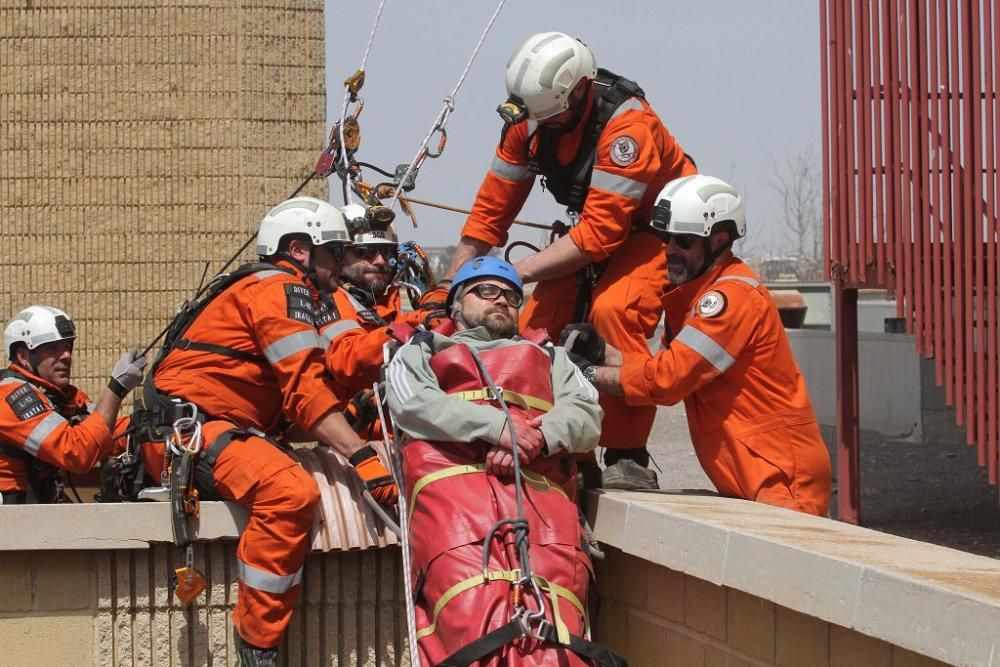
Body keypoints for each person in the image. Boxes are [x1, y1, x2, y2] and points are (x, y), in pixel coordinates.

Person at [137, 196, 399, 664]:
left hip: (208, 429)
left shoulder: (293, 292)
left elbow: (329, 376)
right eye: (334, 252)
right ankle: (257, 646)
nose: (342, 263)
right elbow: (304, 391)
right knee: (289, 493)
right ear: (299, 250)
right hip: (190, 434)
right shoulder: (279, 288)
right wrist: (362, 457)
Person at [434, 31, 697, 489]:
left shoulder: (627, 128)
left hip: (651, 232)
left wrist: (513, 272)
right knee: (538, 320)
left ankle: (627, 454)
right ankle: (563, 445)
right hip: (593, 230)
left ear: (579, 93)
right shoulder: (530, 118)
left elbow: (600, 234)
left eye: (550, 117)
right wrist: (459, 276)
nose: (543, 125)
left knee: (616, 311)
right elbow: (492, 208)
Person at [386, 256, 616, 666]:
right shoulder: (419, 349)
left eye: (512, 295)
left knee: (555, 617)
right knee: (473, 612)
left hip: (541, 502)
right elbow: (412, 403)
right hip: (455, 501)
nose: (503, 301)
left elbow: (586, 414)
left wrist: (537, 438)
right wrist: (501, 427)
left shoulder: (550, 356)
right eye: (487, 291)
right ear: (457, 303)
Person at [568, 175, 832, 516]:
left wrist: (589, 373)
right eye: (667, 239)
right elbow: (664, 363)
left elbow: (667, 381)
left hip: (779, 474)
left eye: (684, 240)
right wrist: (603, 352)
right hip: (759, 469)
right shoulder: (698, 297)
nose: (670, 250)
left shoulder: (729, 299)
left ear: (719, 240)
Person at [319, 204, 444, 434]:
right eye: (366, 251)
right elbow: (348, 360)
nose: (379, 261)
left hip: (405, 430)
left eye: (386, 253)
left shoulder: (386, 299)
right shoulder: (329, 298)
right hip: (356, 438)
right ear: (339, 255)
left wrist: (437, 303)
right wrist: (417, 323)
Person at [0, 306, 144, 504]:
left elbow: (104, 428)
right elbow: (76, 453)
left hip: (34, 514)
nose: (66, 356)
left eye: (67, 346)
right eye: (52, 348)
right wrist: (116, 389)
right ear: (24, 356)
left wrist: (149, 424)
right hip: (12, 523)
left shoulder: (59, 397)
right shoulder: (10, 397)